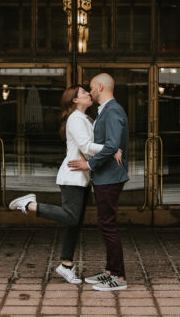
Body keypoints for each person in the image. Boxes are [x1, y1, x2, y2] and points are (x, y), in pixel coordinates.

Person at [6, 84, 121, 285]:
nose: (88, 94)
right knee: (70, 217)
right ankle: (30, 205)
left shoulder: (84, 118)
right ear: (75, 100)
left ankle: (66, 265)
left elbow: (84, 146)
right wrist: (111, 149)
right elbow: (86, 146)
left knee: (73, 223)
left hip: (81, 176)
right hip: (72, 177)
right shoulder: (76, 119)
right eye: (83, 93)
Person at [67, 72, 129, 292]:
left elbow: (112, 145)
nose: (90, 91)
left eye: (91, 87)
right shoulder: (104, 111)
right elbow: (109, 145)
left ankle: (119, 276)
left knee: (108, 225)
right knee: (105, 224)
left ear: (101, 87)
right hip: (105, 176)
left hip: (109, 177)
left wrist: (89, 166)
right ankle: (110, 271)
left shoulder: (112, 110)